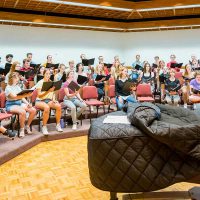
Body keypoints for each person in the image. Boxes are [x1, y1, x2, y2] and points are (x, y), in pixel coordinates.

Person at [5, 72, 36, 138]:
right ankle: (22, 129)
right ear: (11, 79)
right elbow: (15, 97)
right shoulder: (8, 88)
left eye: (17, 78)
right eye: (15, 78)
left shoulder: (17, 87)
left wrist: (27, 103)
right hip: (11, 105)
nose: (17, 79)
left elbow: (21, 97)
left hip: (19, 103)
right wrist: (27, 94)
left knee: (33, 110)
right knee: (23, 112)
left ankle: (27, 126)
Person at [35, 69, 63, 135]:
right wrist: (48, 91)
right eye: (46, 74)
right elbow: (39, 95)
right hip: (40, 100)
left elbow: (53, 94)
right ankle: (44, 126)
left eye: (49, 74)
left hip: (49, 100)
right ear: (43, 74)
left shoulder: (51, 82)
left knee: (58, 106)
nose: (48, 75)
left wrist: (54, 99)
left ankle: (58, 125)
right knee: (47, 108)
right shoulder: (40, 82)